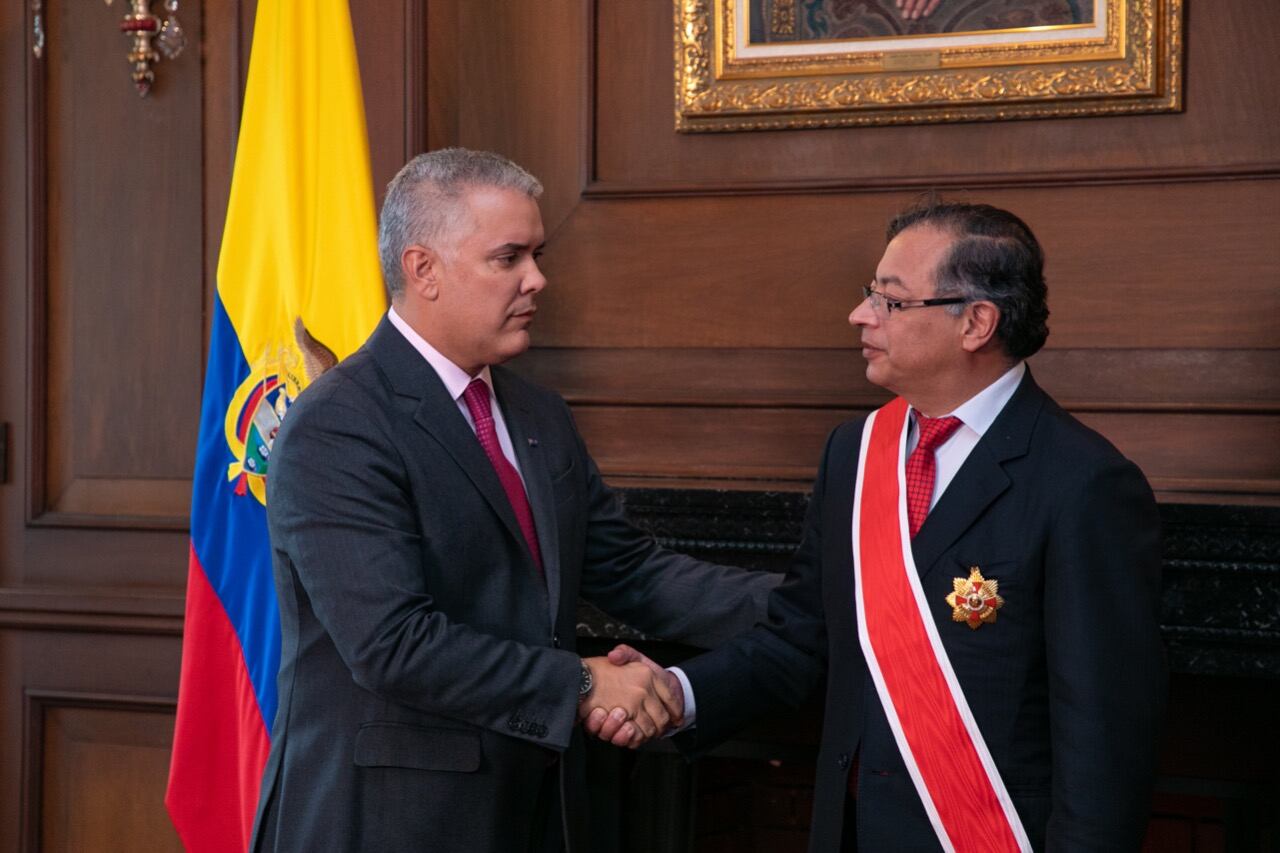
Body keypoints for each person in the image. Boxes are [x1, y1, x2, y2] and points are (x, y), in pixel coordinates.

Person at [249, 148, 775, 853]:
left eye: (537, 255)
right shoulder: (339, 422)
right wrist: (582, 683)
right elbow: (391, 644)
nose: (537, 279)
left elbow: (630, 572)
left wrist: (818, 604)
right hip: (391, 821)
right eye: (509, 258)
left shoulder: (537, 414)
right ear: (423, 269)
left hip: (534, 807)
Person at [599, 199, 1166, 851]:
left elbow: (1105, 738)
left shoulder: (1085, 482)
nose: (860, 315)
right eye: (870, 294)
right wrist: (678, 692)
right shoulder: (856, 451)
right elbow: (801, 635)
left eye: (891, 301)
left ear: (976, 322)